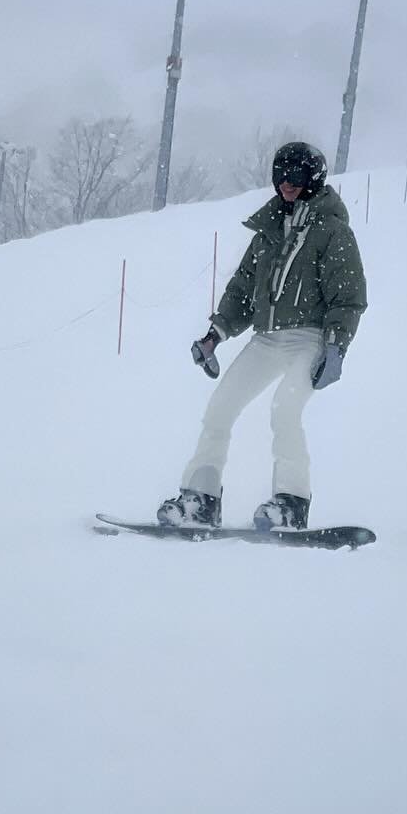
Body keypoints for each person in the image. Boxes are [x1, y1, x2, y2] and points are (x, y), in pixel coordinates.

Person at [157, 140, 367, 531]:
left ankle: (291, 503)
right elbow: (243, 289)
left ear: (313, 178)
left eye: (296, 176)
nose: (286, 183)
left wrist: (336, 348)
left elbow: (349, 297)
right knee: (220, 408)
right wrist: (214, 335)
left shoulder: (332, 231)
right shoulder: (269, 231)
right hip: (267, 339)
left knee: (284, 410)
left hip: (309, 339)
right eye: (280, 175)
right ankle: (199, 499)